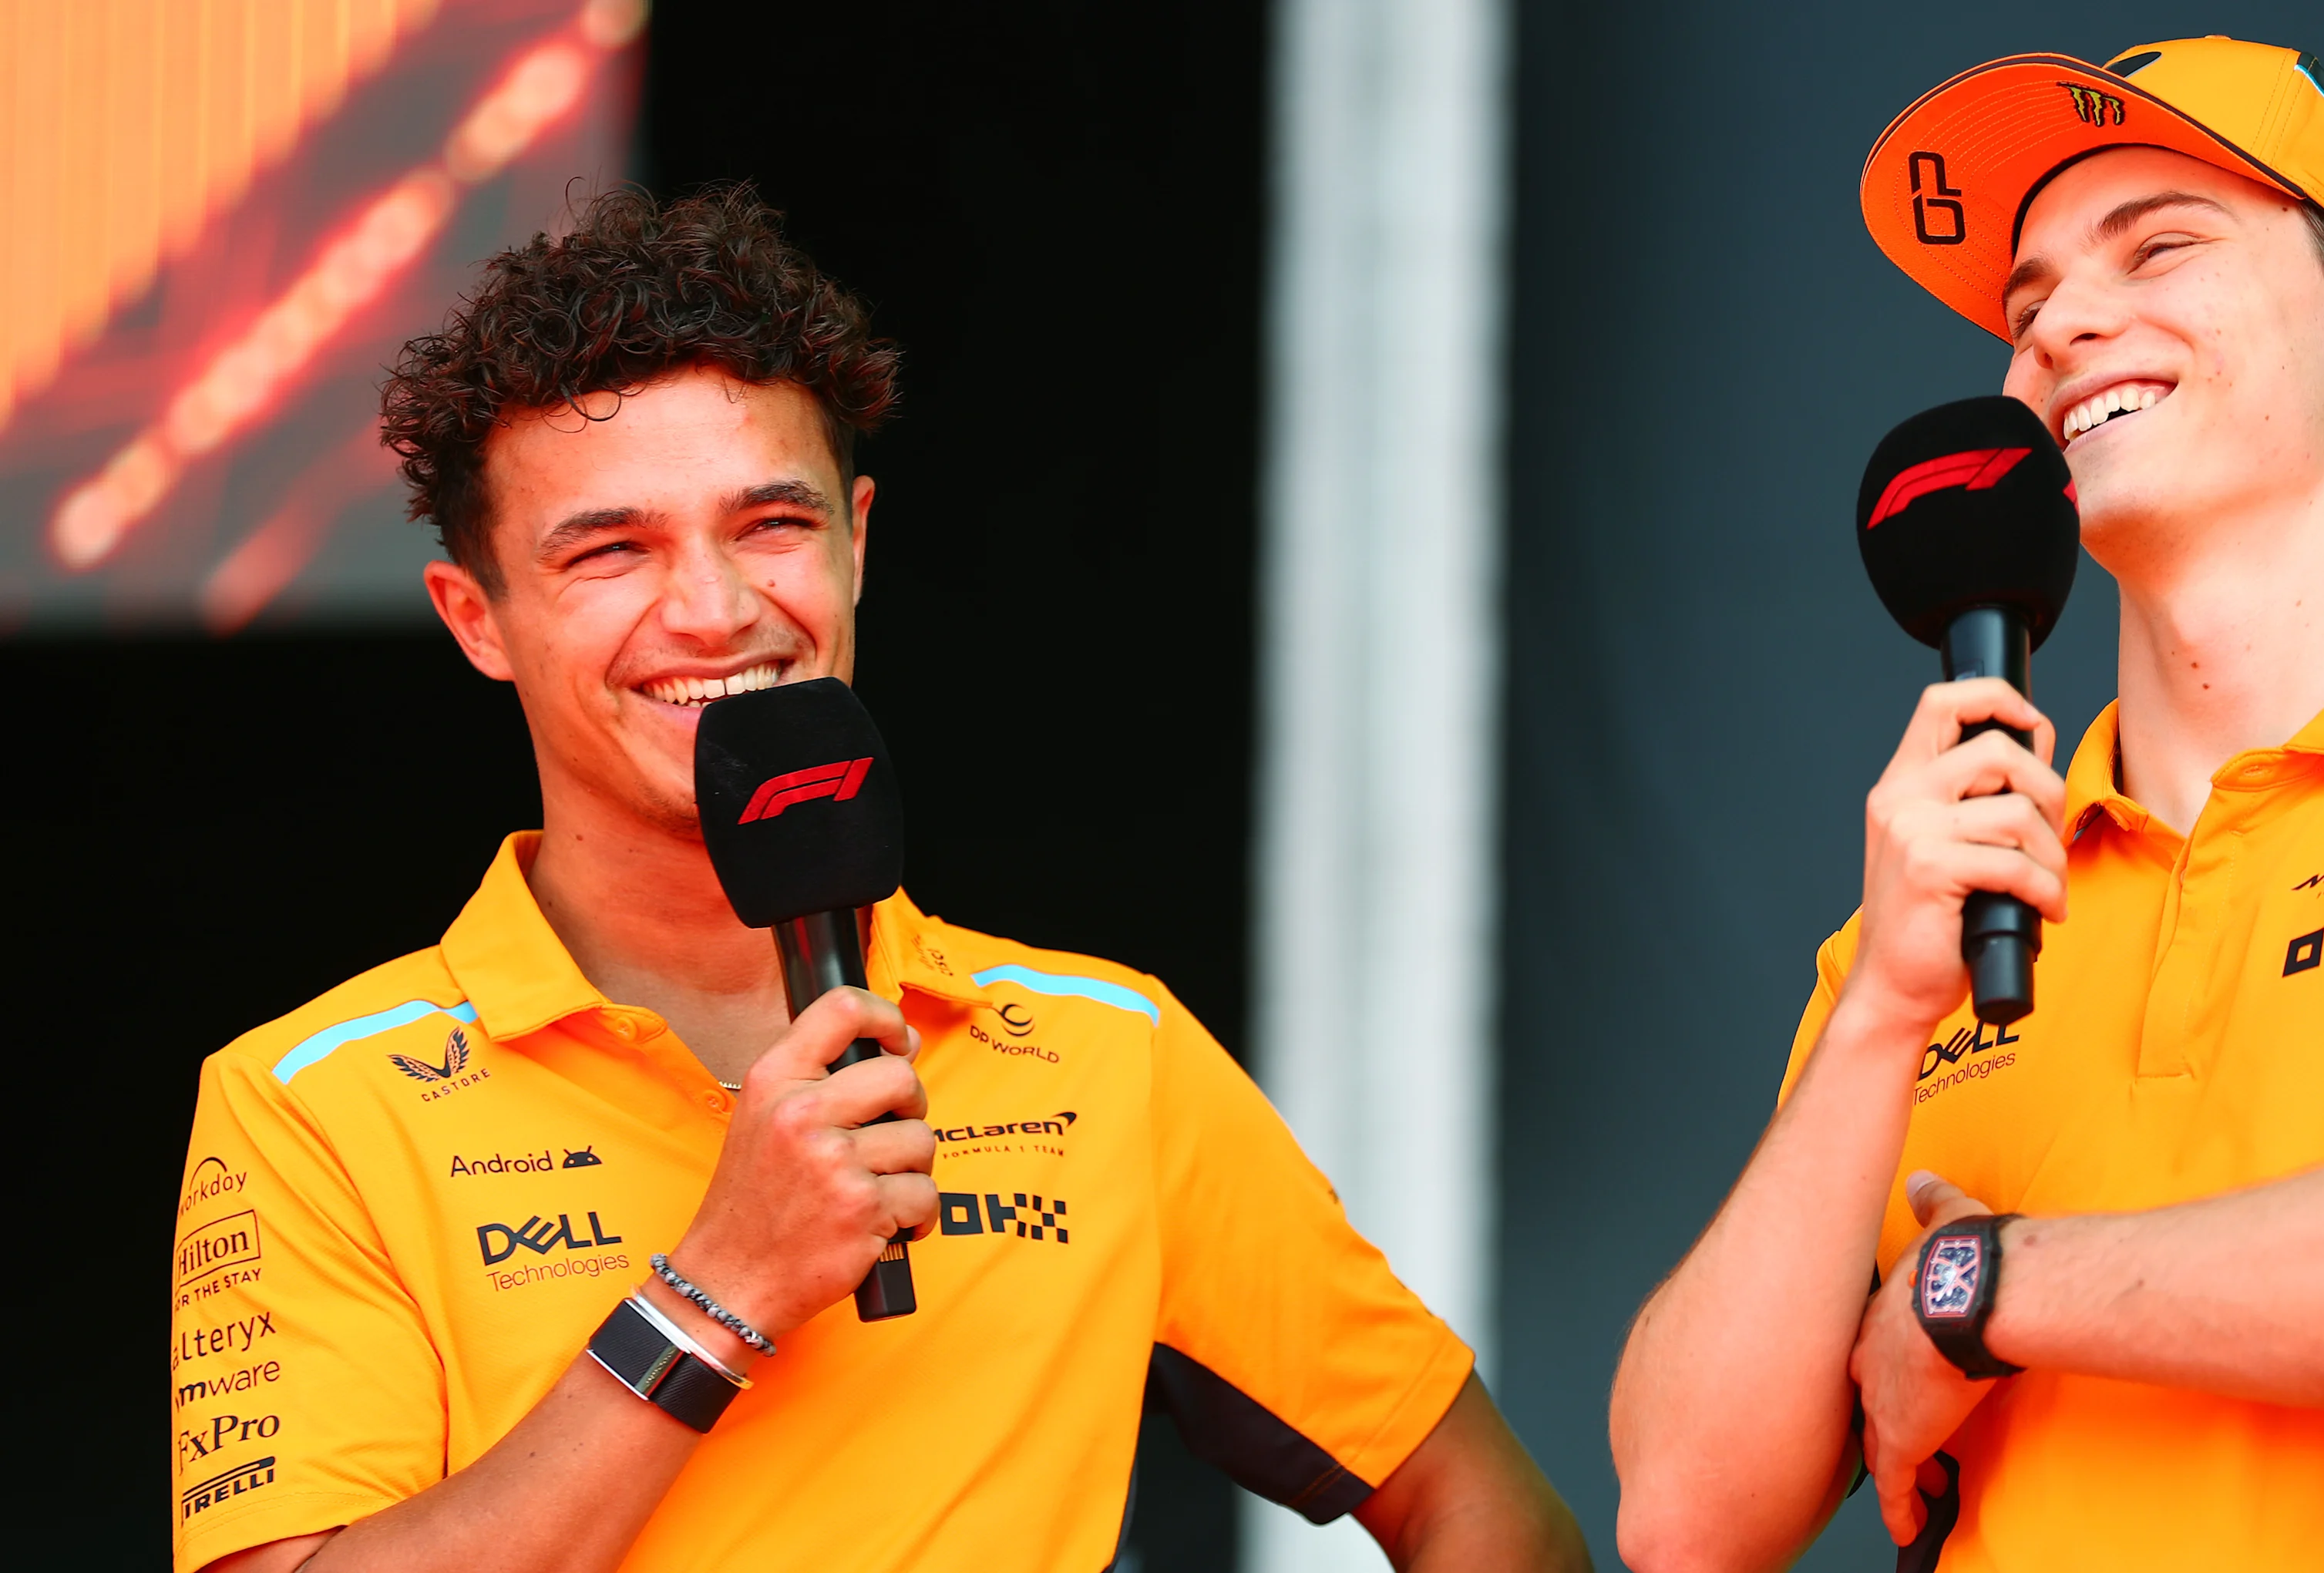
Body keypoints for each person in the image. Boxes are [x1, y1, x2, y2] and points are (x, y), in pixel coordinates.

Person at [168, 187, 1587, 1573]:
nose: (715, 611)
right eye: (610, 551)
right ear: (476, 619)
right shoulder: (313, 1105)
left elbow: (1490, 1511)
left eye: (771, 526)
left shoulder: (1109, 1054)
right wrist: (716, 1292)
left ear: (858, 540)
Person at [1611, 36, 2324, 1573]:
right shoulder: (1947, 899)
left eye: (2160, 247)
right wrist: (1882, 1006)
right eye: (2026, 307)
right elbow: (1685, 1521)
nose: (2059, 328)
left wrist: (1981, 1287)